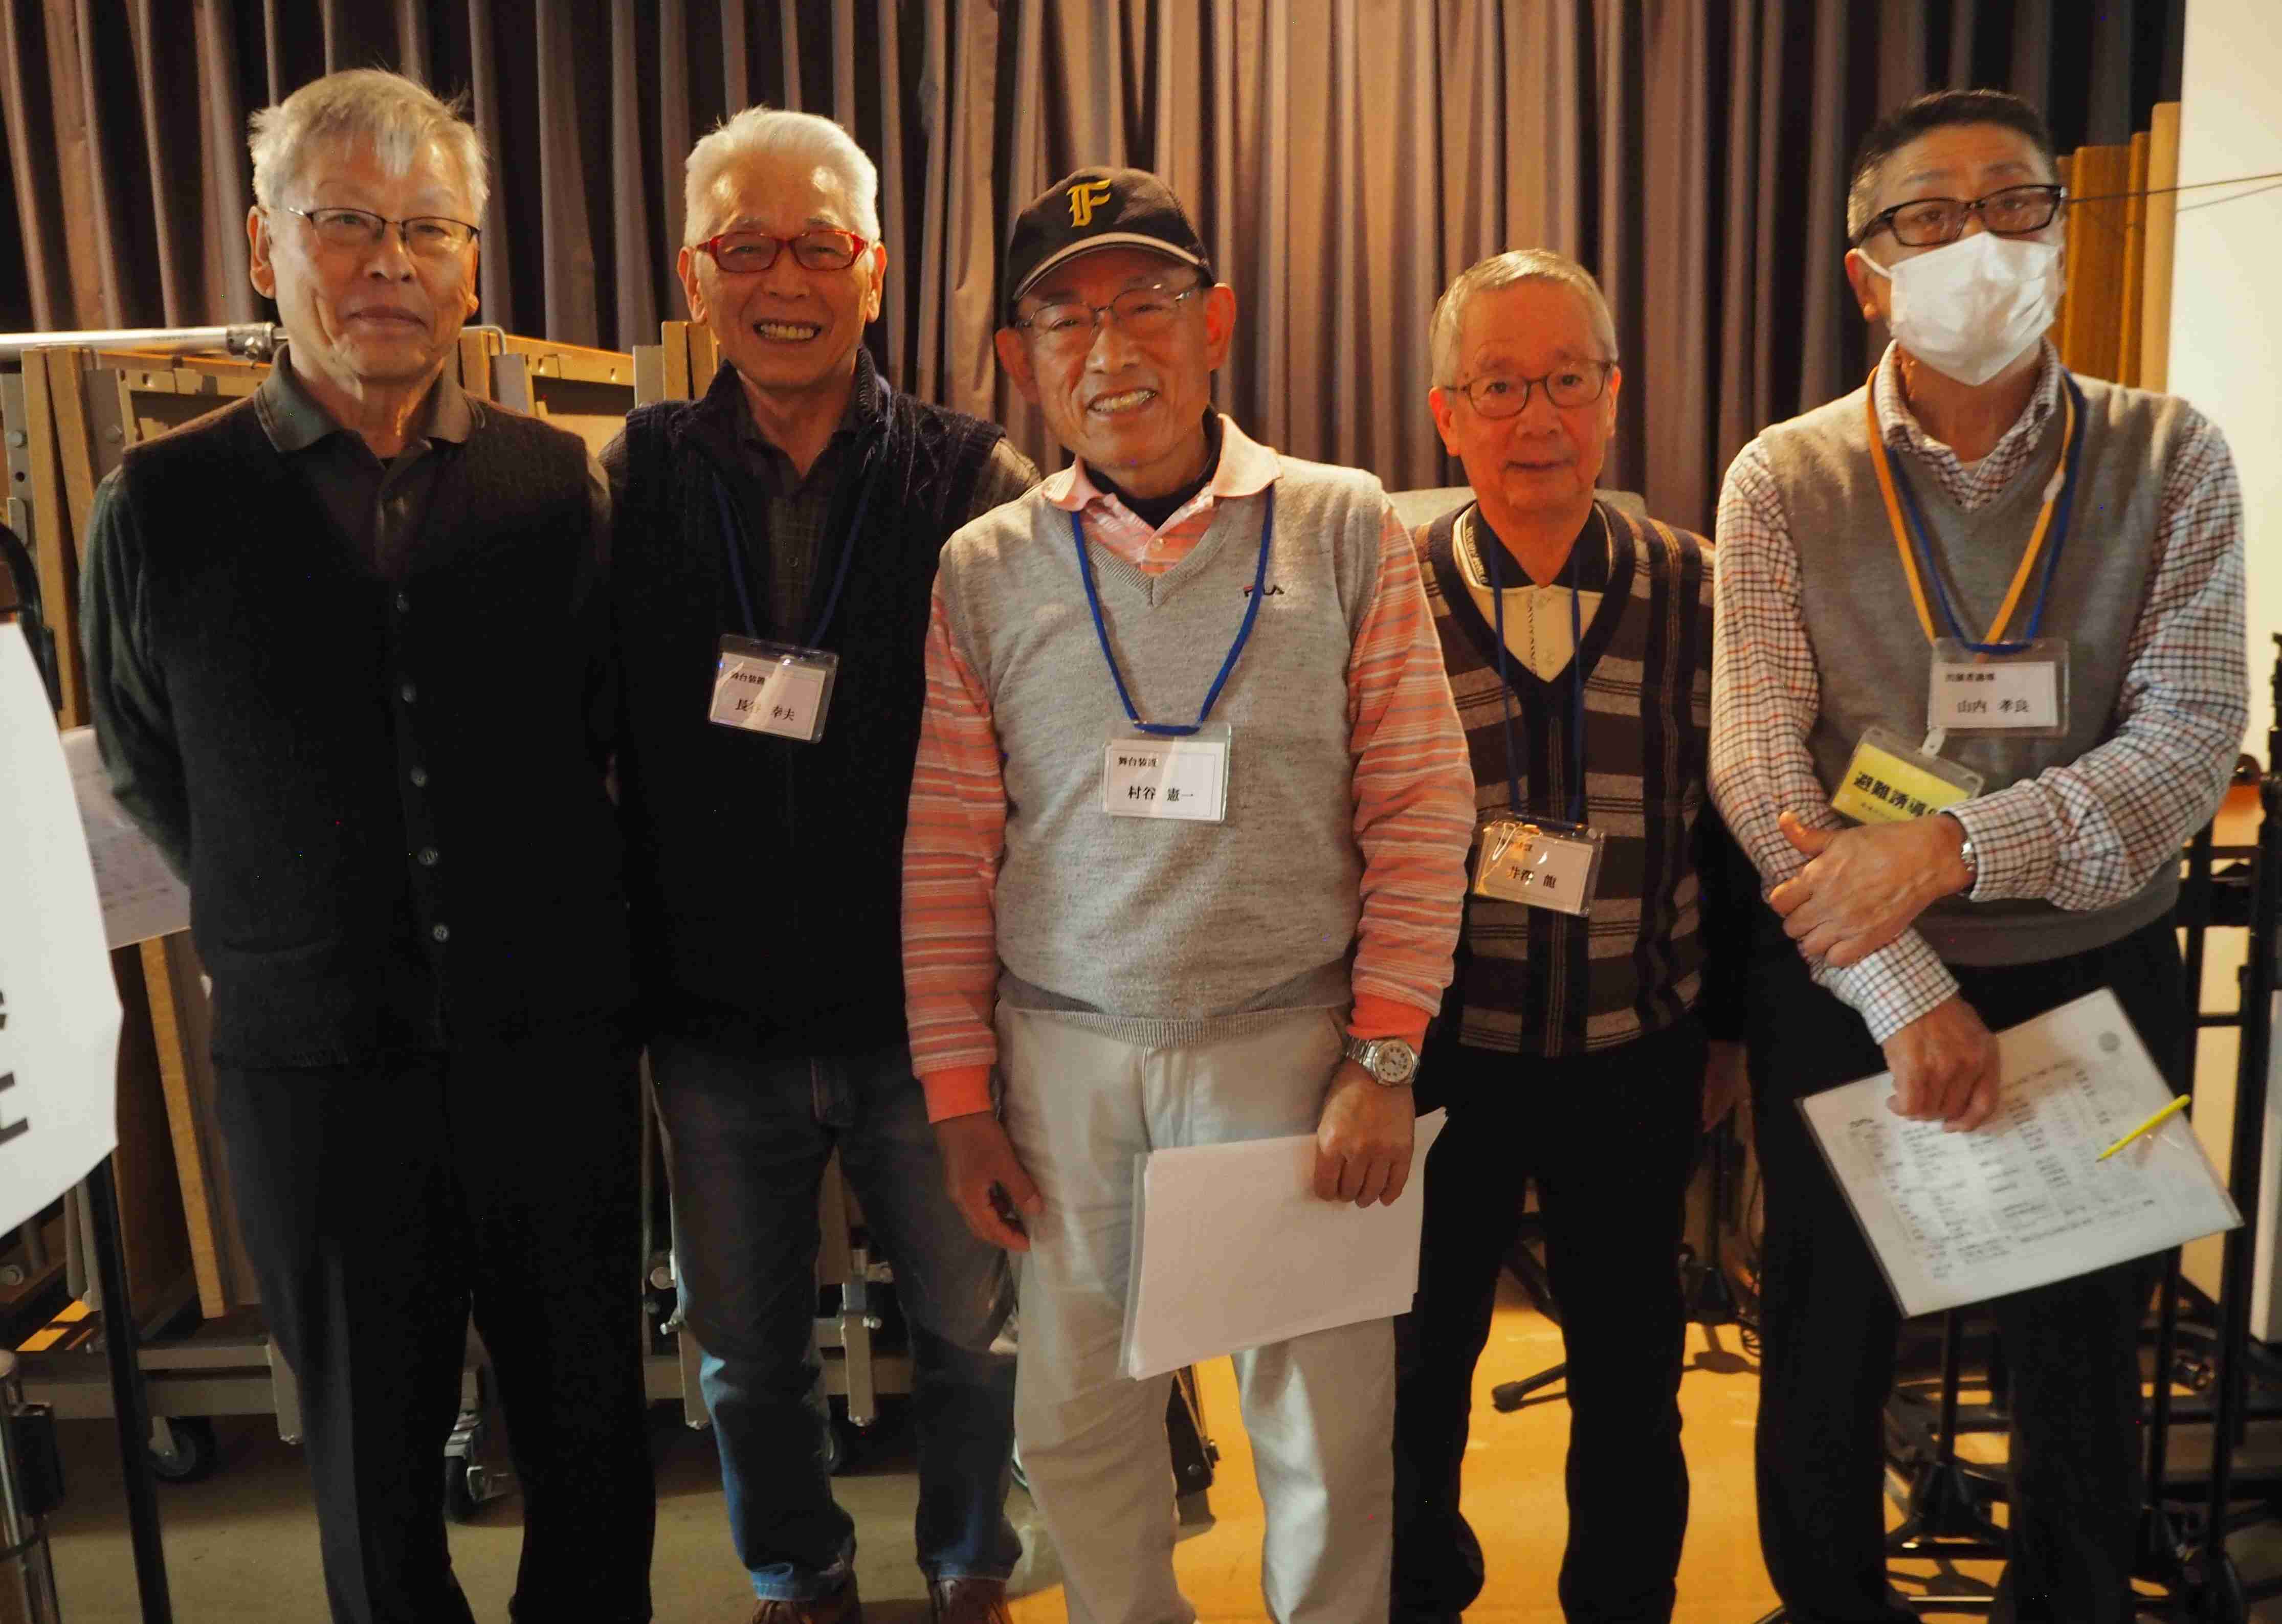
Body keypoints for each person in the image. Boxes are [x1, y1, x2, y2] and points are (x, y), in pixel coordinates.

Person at [79, 68, 652, 1624]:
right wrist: (292, 905)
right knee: (369, 1464)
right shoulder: (160, 503)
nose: (390, 263)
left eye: (428, 229)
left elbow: (604, 732)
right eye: (345, 223)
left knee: (592, 1440)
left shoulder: (556, 487)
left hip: (551, 1052)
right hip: (315, 1068)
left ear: (469, 267)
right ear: (266, 249)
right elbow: (148, 762)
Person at [900, 166, 1475, 1624]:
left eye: (1146, 304)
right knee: (1076, 1423)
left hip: (1290, 1051)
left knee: (1325, 1436)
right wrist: (960, 1096)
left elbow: (1422, 804)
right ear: (1021, 359)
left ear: (1213, 323)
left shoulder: (1343, 523)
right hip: (1062, 1056)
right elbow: (950, 847)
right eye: (1065, 321)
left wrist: (1384, 1057)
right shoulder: (983, 568)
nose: (1110, 350)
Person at [1711, 88, 2246, 1624]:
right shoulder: (1783, 476)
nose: (1980, 242)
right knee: (1825, 1352)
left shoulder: (2170, 453)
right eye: (1929, 217)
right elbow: (1759, 762)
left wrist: (1947, 850)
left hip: (2095, 965)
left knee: (2082, 1362)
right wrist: (1905, 988)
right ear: (1867, 273)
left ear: (2061, 239)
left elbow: (2187, 746)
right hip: (1849, 981)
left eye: (2015, 204)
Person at [606, 106, 1038, 1624]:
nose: (782, 279)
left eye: (818, 245)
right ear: (694, 272)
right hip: (713, 1016)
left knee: (974, 1328)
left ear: (874, 268)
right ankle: (798, 1573)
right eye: (745, 247)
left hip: (927, 1017)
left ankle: (971, 1563)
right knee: (743, 1351)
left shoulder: (974, 479)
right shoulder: (636, 476)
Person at [1391, 249, 1748, 1624]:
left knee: (1632, 1374)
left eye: (1563, 382)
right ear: (1447, 414)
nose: (1533, 418)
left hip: (1633, 1048)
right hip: (1440, 1057)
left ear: (1613, 397)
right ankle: (1420, 1591)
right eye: (1498, 386)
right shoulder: (1386, 586)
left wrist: (1726, 1031)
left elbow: (1738, 825)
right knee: (1416, 1370)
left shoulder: (1699, 585)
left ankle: (1621, 1601)